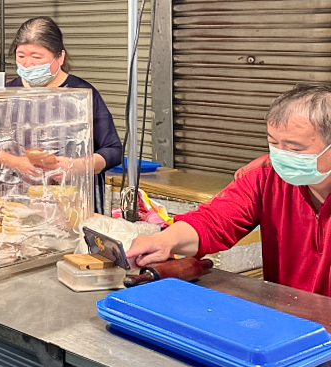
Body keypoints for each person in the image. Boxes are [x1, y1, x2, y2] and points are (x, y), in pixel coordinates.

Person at [127, 83, 331, 296]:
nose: (281, 155)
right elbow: (213, 221)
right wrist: (163, 241)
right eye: (273, 144)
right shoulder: (264, 177)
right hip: (286, 316)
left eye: (294, 148)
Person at [0, 16, 123, 214]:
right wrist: (15, 162)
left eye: (37, 58)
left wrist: (75, 166)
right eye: (21, 56)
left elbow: (113, 151)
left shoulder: (82, 93)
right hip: (15, 207)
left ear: (60, 57)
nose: (27, 65)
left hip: (71, 208)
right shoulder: (4, 94)